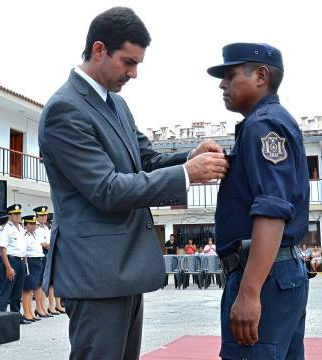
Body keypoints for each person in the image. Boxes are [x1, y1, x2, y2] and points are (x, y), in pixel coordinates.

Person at [38, 7, 227, 358]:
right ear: (99, 50)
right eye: (128, 62)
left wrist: (189, 157)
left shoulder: (116, 105)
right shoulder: (65, 110)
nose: (134, 73)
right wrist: (188, 174)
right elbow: (107, 190)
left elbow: (147, 160)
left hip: (122, 269)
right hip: (95, 273)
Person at [209, 43, 310, 358]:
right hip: (276, 272)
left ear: (261, 76)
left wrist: (250, 291)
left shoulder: (262, 125)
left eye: (230, 74)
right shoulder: (266, 122)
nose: (222, 84)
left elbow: (272, 210)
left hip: (263, 274)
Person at [0, 204, 29, 324]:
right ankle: (2, 316)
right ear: (9, 216)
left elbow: (22, 248)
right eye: (15, 214)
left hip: (21, 260)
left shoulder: (21, 228)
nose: (18, 216)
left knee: (17, 291)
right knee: (7, 289)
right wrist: (8, 267)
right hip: (11, 261)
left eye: (19, 214)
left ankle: (16, 316)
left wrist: (25, 263)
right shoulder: (7, 229)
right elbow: (2, 249)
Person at [34, 205, 63, 315]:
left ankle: (48, 307)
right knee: (41, 282)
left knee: (49, 281)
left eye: (45, 215)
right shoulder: (35, 228)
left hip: (49, 253)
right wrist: (47, 245)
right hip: (41, 253)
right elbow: (39, 243)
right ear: (36, 216)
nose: (43, 217)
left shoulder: (46, 227)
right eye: (41, 216)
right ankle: (40, 307)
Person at [21, 214, 45, 322]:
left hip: (38, 261)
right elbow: (24, 251)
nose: (33, 226)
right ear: (25, 225)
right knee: (27, 289)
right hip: (29, 261)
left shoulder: (36, 235)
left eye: (34, 224)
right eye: (30, 224)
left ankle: (31, 311)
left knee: (32, 290)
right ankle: (26, 312)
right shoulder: (24, 235)